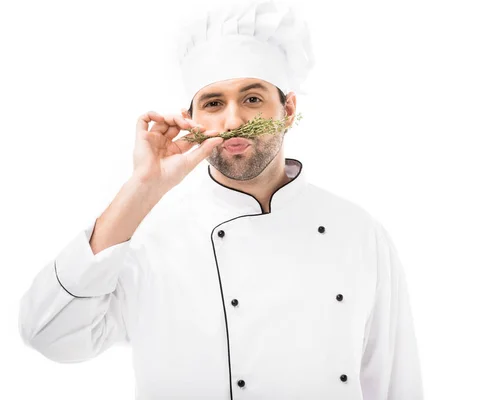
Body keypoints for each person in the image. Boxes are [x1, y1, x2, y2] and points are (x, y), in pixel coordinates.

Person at [18, 0, 424, 399]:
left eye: (252, 99)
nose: (232, 122)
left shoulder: (357, 232)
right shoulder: (148, 238)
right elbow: (49, 334)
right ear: (191, 121)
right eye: (213, 104)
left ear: (287, 109)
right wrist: (142, 187)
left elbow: (395, 382)